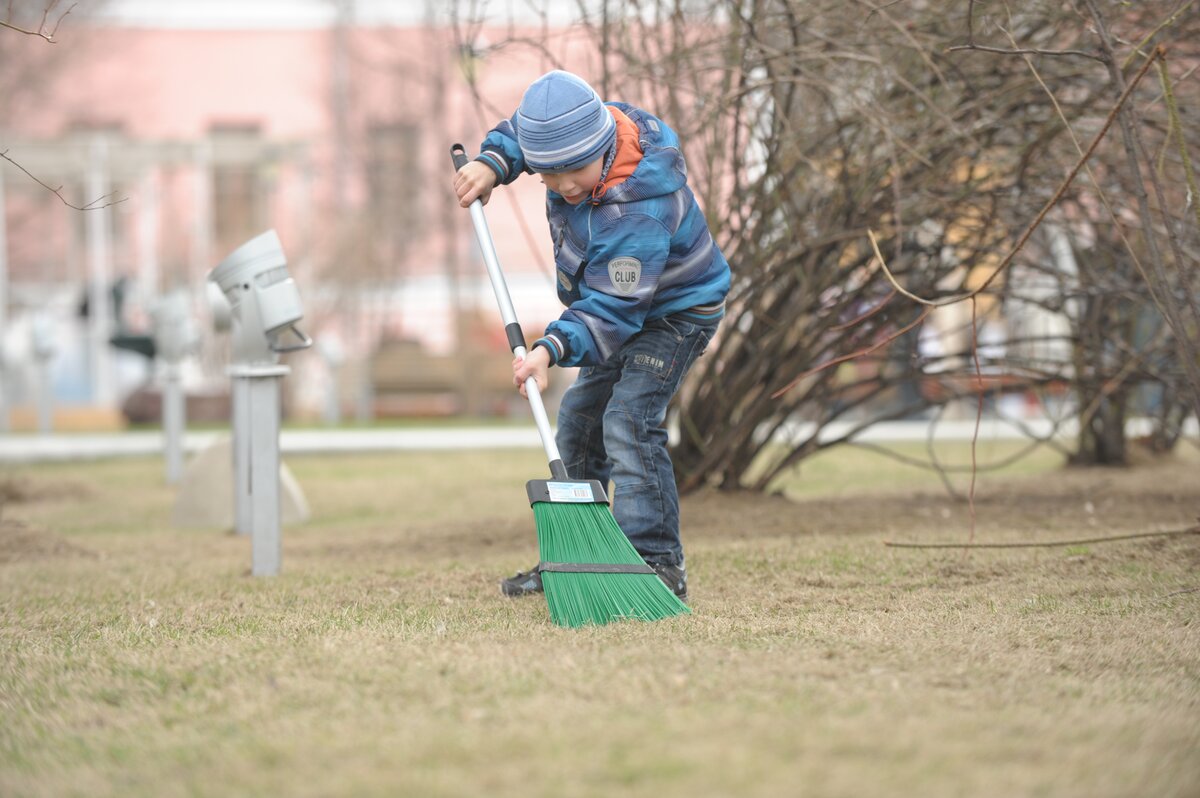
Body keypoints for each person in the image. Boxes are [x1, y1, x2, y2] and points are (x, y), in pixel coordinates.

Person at [453, 70, 730, 602]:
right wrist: (493, 164)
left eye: (574, 172)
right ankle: (581, 555)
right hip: (610, 309)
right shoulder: (572, 136)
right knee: (579, 420)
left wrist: (549, 348)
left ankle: (656, 561)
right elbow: (520, 134)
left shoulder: (638, 208)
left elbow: (614, 309)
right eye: (548, 176)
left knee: (628, 419)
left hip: (674, 314)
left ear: (602, 146)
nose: (565, 187)